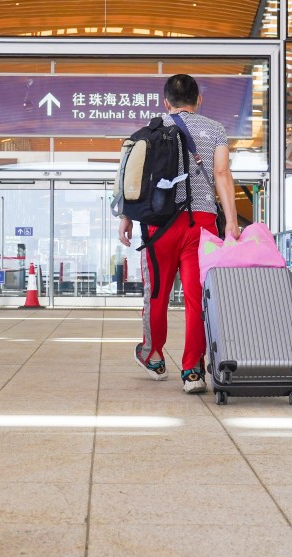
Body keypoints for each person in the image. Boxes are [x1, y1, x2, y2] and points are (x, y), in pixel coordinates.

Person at [118, 74, 240, 394]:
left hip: (159, 225)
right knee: (196, 298)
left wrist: (126, 218)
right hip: (201, 224)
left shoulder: (152, 129)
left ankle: (153, 354)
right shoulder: (215, 129)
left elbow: (132, 177)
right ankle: (192, 371)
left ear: (166, 102)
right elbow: (222, 173)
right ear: (198, 100)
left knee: (156, 292)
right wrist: (230, 221)